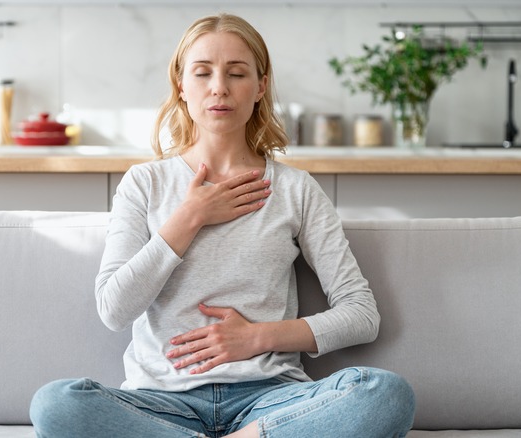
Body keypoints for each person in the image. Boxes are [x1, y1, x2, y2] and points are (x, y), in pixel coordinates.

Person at [30, 13, 415, 438]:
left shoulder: (295, 189)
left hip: (268, 399)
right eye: (202, 72)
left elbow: (361, 314)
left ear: (260, 85)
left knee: (385, 394)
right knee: (56, 403)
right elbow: (114, 309)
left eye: (236, 73)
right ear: (181, 84)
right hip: (163, 402)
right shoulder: (145, 183)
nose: (219, 87)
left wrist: (257, 338)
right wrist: (189, 217)